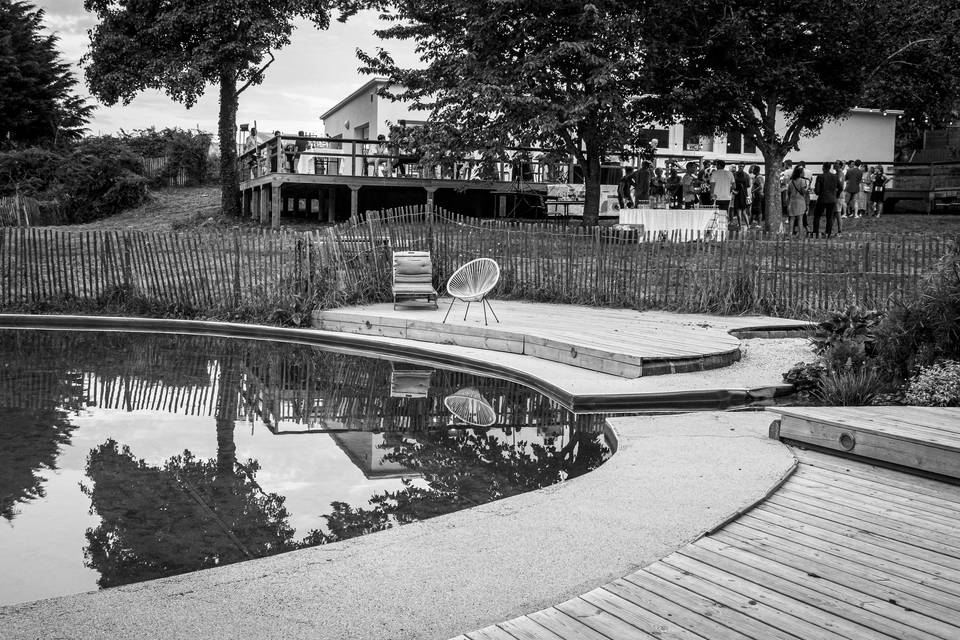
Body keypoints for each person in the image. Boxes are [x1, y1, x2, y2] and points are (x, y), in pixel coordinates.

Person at [812, 162, 839, 237]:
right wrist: (836, 195)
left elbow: (817, 190)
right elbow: (840, 187)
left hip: (822, 198)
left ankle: (815, 232)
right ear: (830, 168)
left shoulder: (820, 176)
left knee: (817, 216)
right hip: (832, 198)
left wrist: (817, 192)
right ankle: (828, 233)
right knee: (829, 217)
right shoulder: (835, 176)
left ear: (823, 167)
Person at [787, 166, 808, 235]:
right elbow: (803, 191)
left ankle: (790, 233)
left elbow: (788, 193)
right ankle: (800, 234)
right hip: (800, 201)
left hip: (792, 201)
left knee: (792, 219)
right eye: (803, 172)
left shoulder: (791, 182)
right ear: (800, 173)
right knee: (800, 219)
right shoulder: (802, 181)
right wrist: (807, 189)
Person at [733, 163, 751, 228]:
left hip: (743, 194)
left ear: (744, 167)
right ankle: (740, 225)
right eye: (740, 166)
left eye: (742, 166)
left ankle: (748, 225)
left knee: (744, 212)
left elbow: (749, 185)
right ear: (738, 166)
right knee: (738, 211)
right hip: (737, 194)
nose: (741, 167)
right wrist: (733, 191)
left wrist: (748, 195)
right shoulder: (734, 174)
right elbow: (732, 184)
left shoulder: (746, 175)